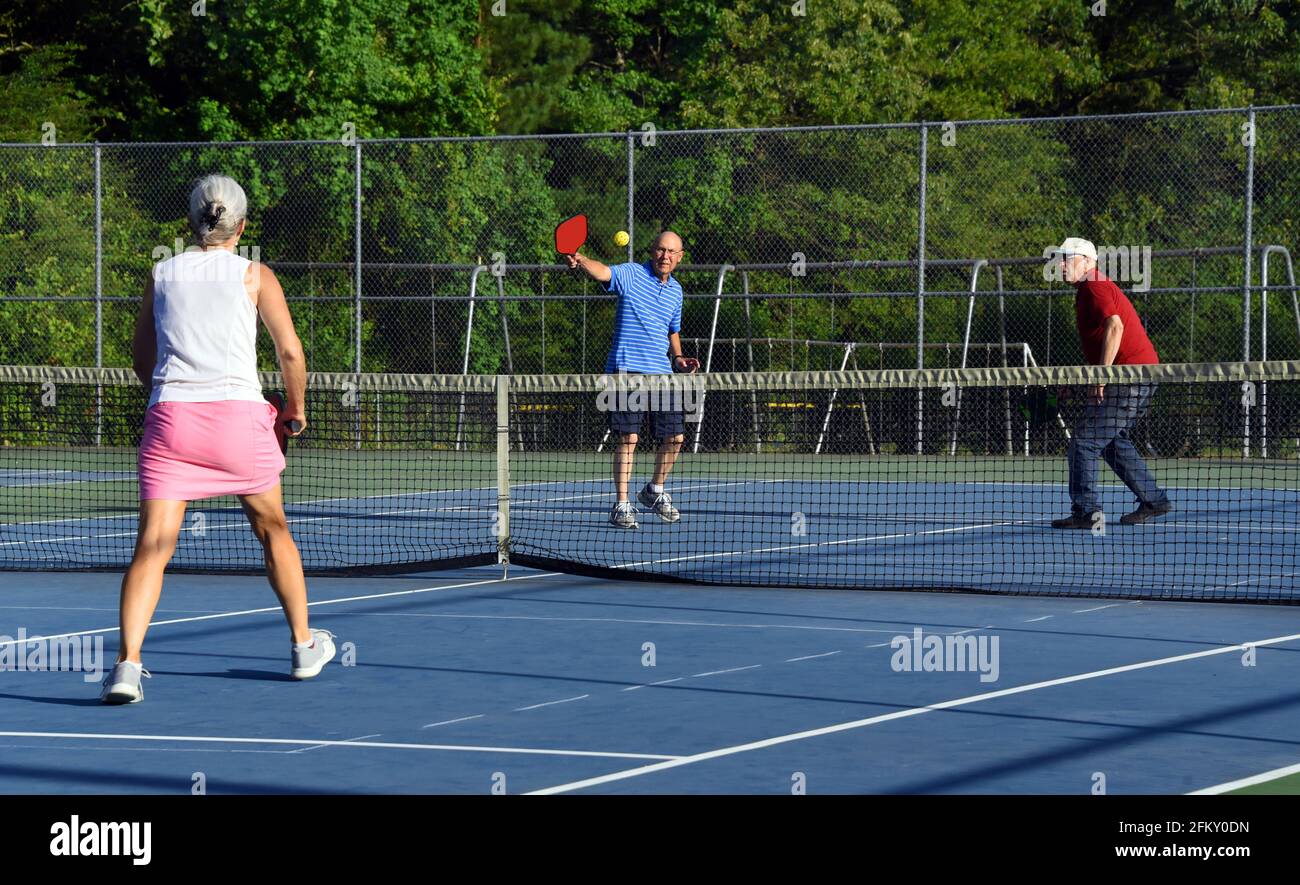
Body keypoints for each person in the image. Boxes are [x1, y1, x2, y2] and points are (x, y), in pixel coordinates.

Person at [101, 174, 335, 704]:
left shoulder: (161, 274)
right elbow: (291, 354)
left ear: (191, 223)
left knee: (153, 546)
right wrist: (294, 411)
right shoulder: (256, 275)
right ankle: (303, 647)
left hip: (171, 423)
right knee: (273, 529)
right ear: (242, 226)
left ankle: (126, 667)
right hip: (239, 422)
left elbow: (142, 359)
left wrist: (174, 397)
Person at [567, 231, 694, 529]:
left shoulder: (676, 291)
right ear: (653, 251)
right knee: (629, 438)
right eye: (660, 250)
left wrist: (678, 358)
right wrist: (582, 259)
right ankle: (622, 504)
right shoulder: (632, 274)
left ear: (680, 256)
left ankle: (654, 491)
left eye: (671, 251)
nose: (665, 256)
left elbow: (672, 329)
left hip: (661, 374)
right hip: (625, 371)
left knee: (675, 438)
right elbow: (604, 271)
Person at [1049, 237, 1173, 530]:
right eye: (1060, 258)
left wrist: (1101, 376)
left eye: (1068, 258)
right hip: (1137, 375)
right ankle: (1154, 499)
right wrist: (1083, 379)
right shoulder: (1088, 289)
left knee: (1085, 441)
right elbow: (1101, 341)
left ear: (1088, 261)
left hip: (1130, 377)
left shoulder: (1095, 284)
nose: (1061, 264)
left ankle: (1087, 512)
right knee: (1111, 441)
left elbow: (1115, 326)